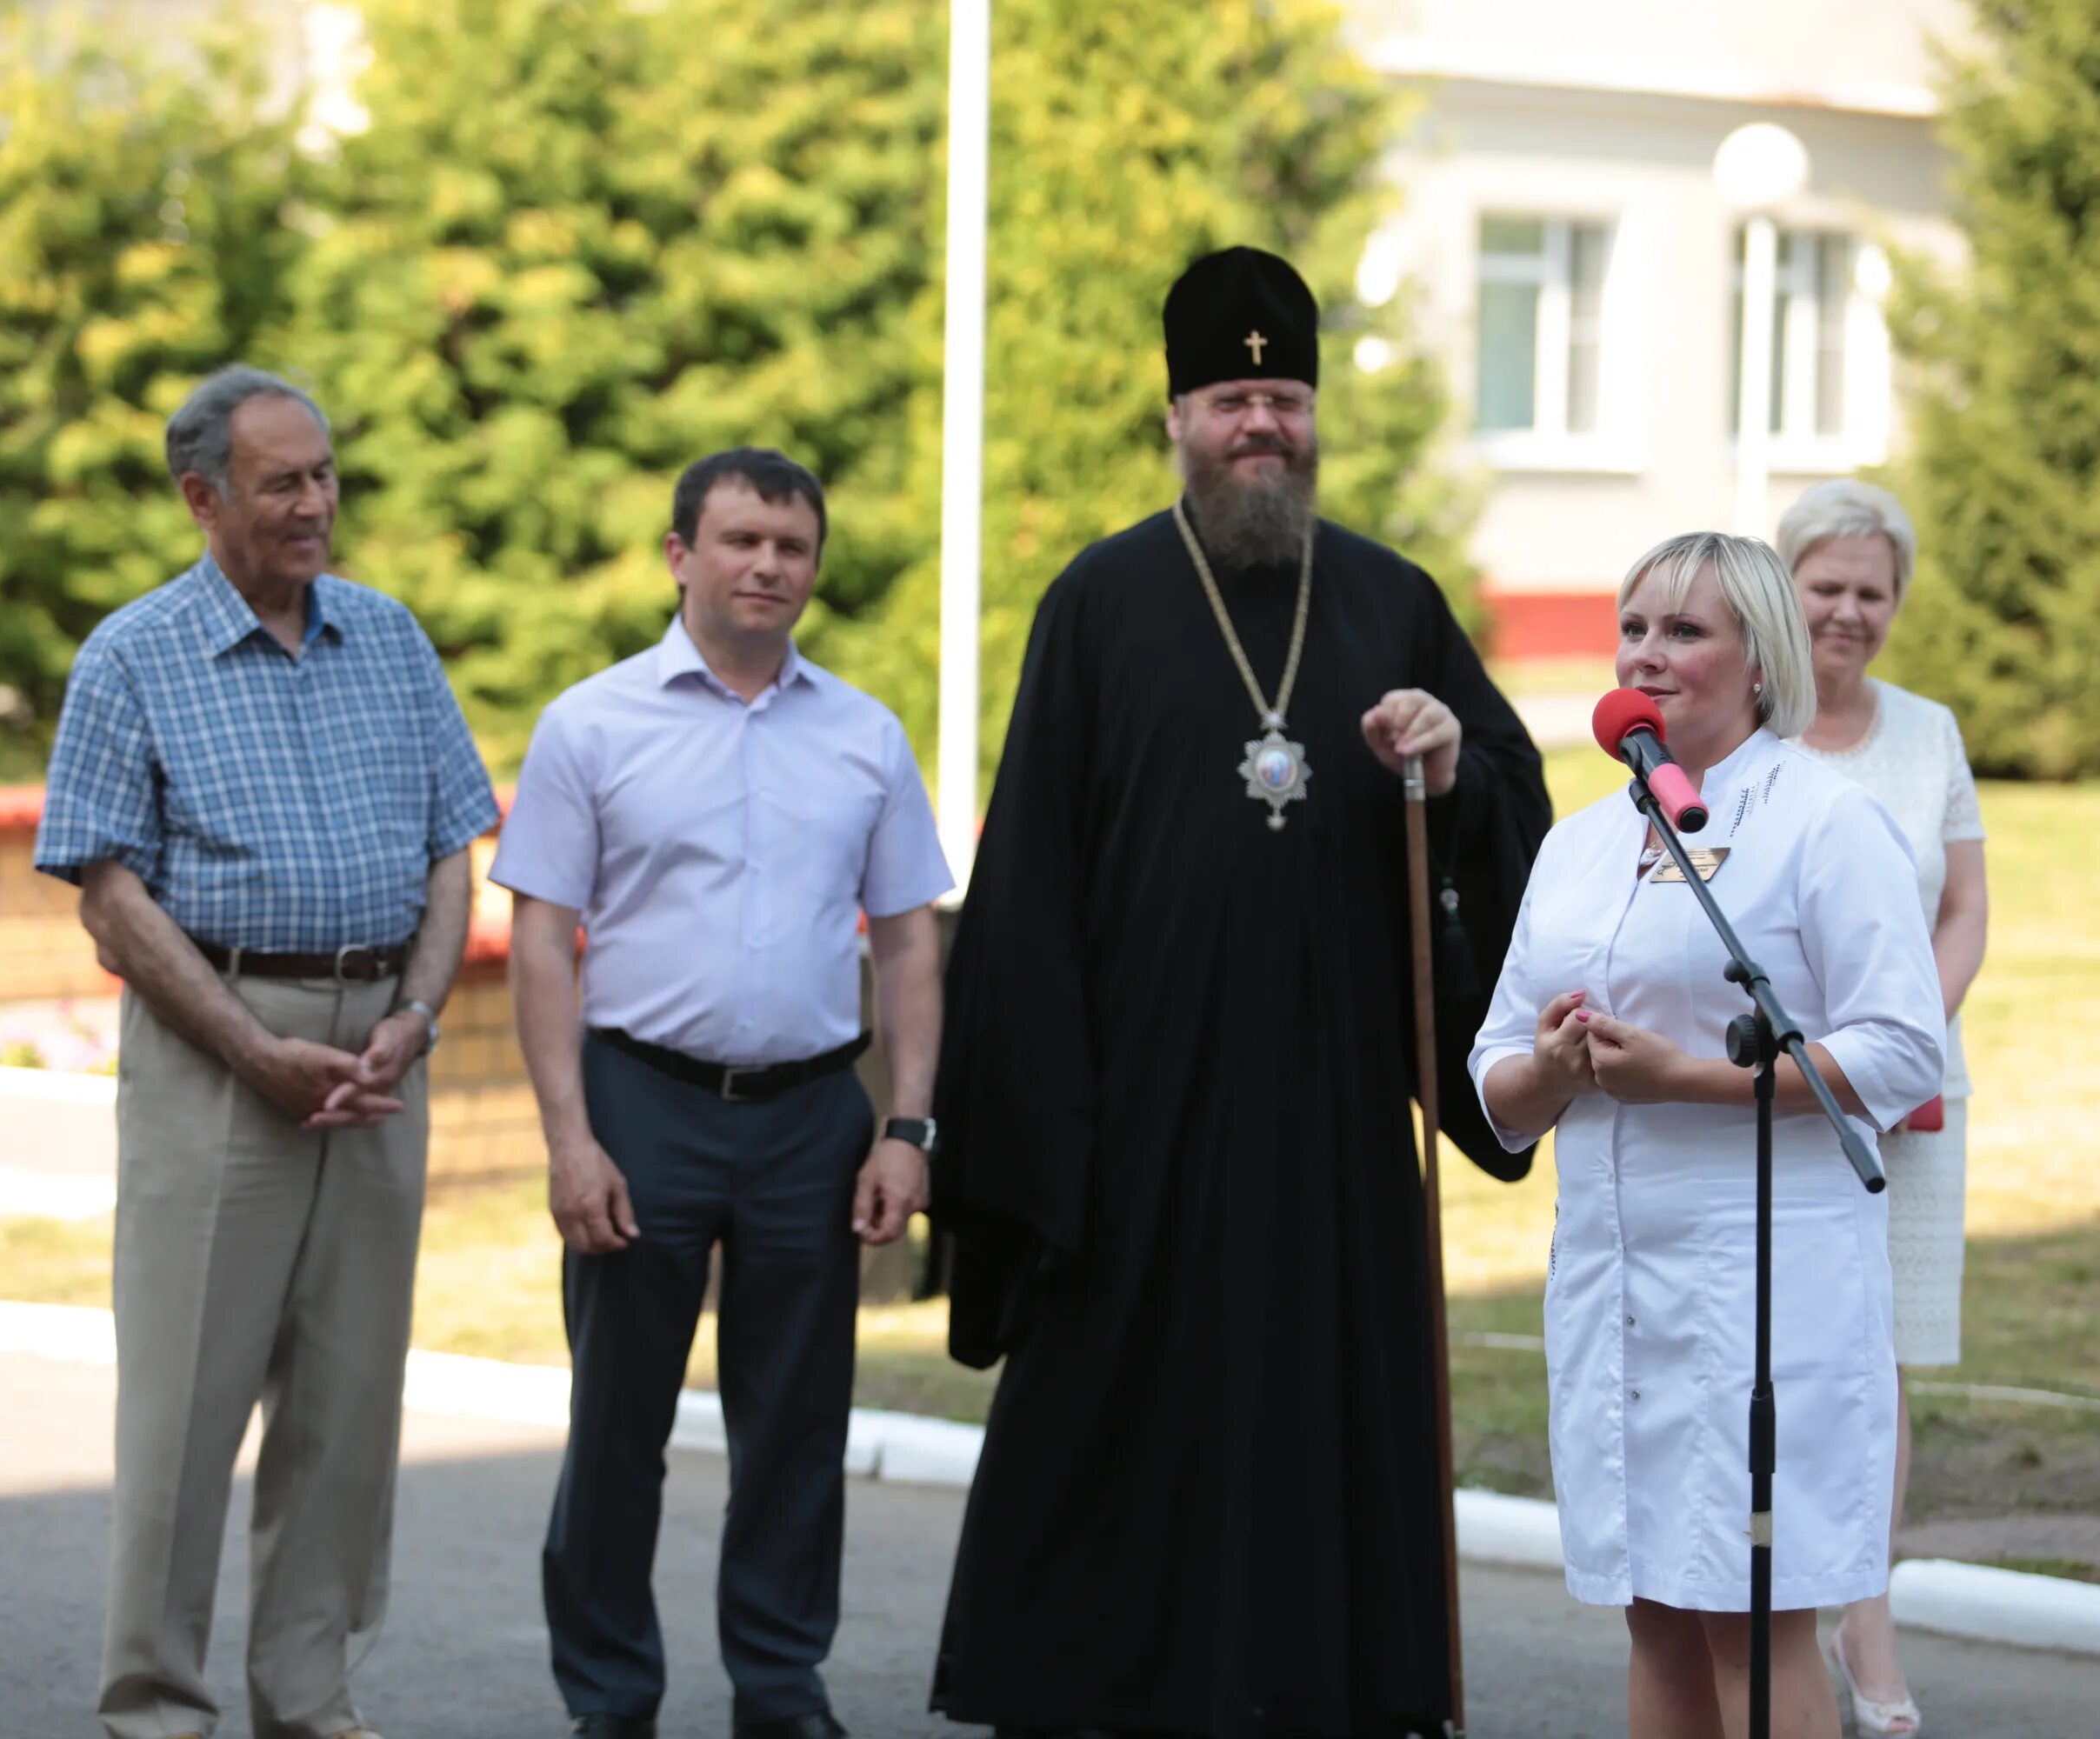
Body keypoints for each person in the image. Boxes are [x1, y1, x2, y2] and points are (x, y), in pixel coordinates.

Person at [926, 245, 1554, 1739]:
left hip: (1335, 1118)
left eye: (1281, 397)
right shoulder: (1098, 601)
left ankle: (1327, 1692)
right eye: (1228, 399)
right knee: (1121, 1417)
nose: (1258, 424)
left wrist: (1451, 770)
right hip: (1137, 1119)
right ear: (1177, 419)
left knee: (1319, 1421)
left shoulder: (1394, 603)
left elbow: (1520, 806)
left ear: (1317, 414)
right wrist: (1042, 1139)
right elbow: (1023, 886)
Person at [35, 364, 502, 1739]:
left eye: (325, 475)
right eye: (282, 482)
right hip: (216, 1055)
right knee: (185, 1413)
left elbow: (450, 851)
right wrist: (250, 1046)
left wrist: (413, 1022)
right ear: (203, 497)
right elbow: (110, 895)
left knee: (346, 1411)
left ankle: (307, 1699)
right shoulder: (132, 655)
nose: (316, 504)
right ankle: (156, 1709)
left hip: (379, 1062)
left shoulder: (391, 637)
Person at [490, 448, 954, 1739]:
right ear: (680, 554)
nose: (768, 566)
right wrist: (569, 1139)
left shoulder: (863, 735)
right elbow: (542, 937)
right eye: (742, 540)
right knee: (617, 1425)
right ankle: (610, 1697)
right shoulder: (593, 724)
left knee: (796, 1432)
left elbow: (911, 938)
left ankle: (777, 1687)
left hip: (815, 1114)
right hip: (642, 1105)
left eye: (792, 548)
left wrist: (907, 1129)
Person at [1470, 531, 1944, 1739]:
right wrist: (1552, 1067)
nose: (1648, 653)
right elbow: (1494, 1079)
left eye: (1686, 631)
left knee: (1749, 1610)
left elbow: (1898, 1049)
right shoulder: (1579, 843)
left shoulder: (1822, 822)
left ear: (1762, 661)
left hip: (1760, 1285)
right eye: (1636, 628)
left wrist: (1688, 1077)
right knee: (1656, 1610)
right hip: (1616, 1278)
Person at [1778, 478, 1988, 1737]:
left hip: (1909, 1104)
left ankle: (1866, 1616)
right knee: (1795, 1355)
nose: (1849, 612)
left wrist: (1906, 1043)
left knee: (1883, 1361)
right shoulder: (1749, 732)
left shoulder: (1929, 731)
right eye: (1827, 587)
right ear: (1783, 588)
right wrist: (1820, 1063)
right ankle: (1785, 1609)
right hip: (1774, 1095)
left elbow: (1961, 908)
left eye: (1873, 592)